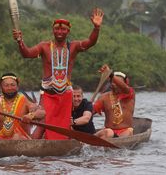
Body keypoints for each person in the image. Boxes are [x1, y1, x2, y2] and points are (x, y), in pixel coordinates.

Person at [13, 8, 104, 139]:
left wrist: (96, 28)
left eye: (63, 29)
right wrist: (20, 41)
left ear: (68, 31)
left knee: (64, 125)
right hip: (48, 93)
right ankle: (31, 145)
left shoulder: (73, 46)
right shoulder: (44, 46)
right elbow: (27, 54)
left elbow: (90, 42)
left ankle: (61, 148)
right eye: (57, 29)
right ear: (53, 30)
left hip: (66, 94)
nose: (60, 32)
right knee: (43, 121)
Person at [93, 65, 135, 139]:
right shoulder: (103, 97)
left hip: (125, 131)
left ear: (125, 84)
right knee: (109, 132)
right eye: (113, 82)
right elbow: (91, 112)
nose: (115, 84)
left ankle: (116, 142)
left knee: (129, 131)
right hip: (108, 131)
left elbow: (124, 87)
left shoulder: (129, 93)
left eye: (118, 82)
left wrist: (110, 74)